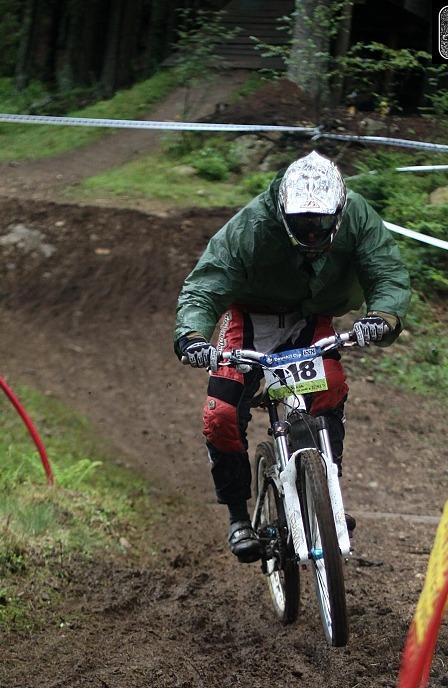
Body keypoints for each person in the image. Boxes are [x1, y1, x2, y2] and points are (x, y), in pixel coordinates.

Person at [174, 150, 411, 564]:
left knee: (330, 387)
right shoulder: (252, 226)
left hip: (309, 316)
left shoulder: (358, 215)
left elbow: (386, 271)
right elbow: (206, 284)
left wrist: (383, 315)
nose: (313, 234)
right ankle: (237, 516)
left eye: (321, 224)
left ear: (339, 213)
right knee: (222, 414)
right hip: (251, 317)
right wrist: (192, 335)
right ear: (283, 214)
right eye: (302, 225)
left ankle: (326, 493)